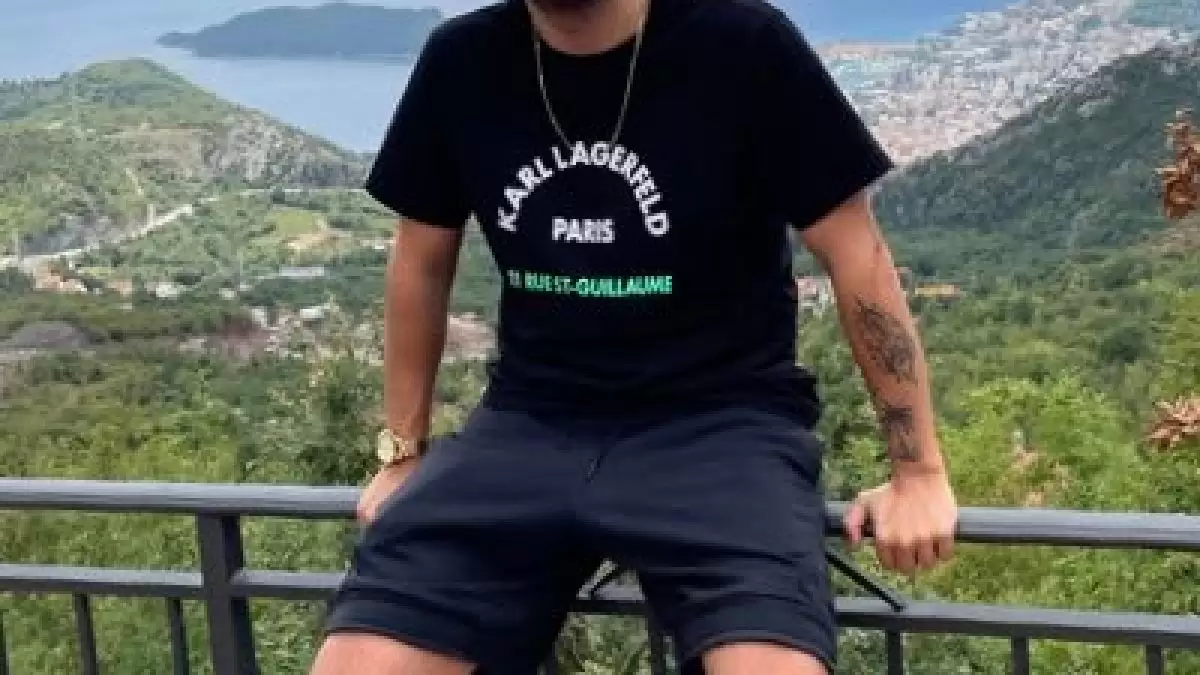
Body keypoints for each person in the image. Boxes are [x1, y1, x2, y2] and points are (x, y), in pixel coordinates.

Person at [310, 0, 959, 671]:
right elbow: (420, 260)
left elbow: (856, 253)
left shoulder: (742, 43)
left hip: (722, 426)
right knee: (358, 659)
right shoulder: (462, 59)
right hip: (528, 422)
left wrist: (917, 471)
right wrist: (402, 451)